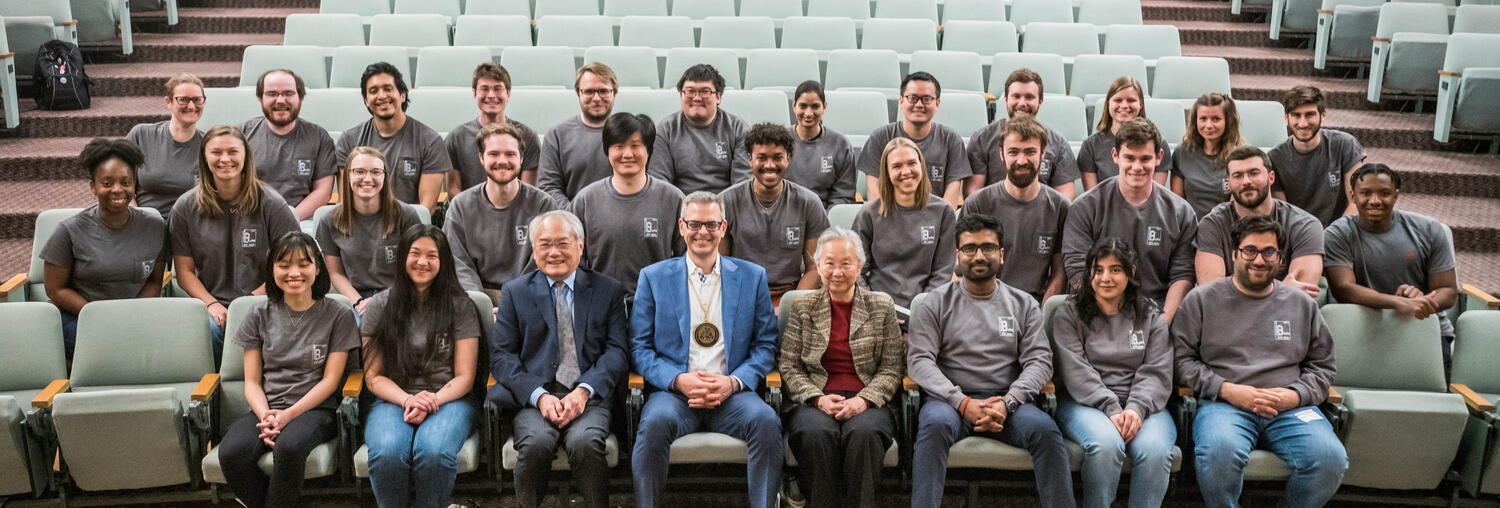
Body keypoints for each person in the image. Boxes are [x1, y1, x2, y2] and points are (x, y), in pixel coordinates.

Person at [1174, 216, 1346, 507]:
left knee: (1330, 459)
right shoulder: (1202, 300)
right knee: (1218, 454)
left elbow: (1323, 365)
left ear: (1280, 258)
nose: (1259, 260)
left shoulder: (1301, 304)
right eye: (1250, 250)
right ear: (1234, 254)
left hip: (1290, 407)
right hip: (1224, 404)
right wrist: (1226, 389)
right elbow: (1180, 360)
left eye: (1269, 252)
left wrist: (1296, 395)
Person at [908, 213, 1074, 508]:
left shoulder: (1023, 304)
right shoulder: (934, 303)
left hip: (1007, 401)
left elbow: (1040, 361)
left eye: (987, 247)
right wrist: (963, 403)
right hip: (949, 403)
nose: (979, 255)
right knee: (933, 427)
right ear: (957, 255)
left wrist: (1008, 402)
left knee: (1046, 431)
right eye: (969, 248)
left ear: (1001, 254)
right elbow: (920, 361)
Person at [630, 191, 783, 508]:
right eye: (695, 224)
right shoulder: (653, 277)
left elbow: (766, 344)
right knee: (653, 425)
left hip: (733, 395)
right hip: (674, 395)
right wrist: (677, 380)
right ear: (682, 227)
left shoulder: (752, 277)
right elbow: (640, 348)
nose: (703, 232)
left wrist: (733, 382)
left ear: (723, 226)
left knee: (767, 422)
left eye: (711, 224)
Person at [490, 210, 628, 508]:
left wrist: (584, 390)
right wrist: (539, 396)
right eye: (544, 244)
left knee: (585, 443)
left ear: (580, 245)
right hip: (535, 396)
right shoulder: (515, 292)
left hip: (589, 396)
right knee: (537, 443)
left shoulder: (608, 290)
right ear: (533, 249)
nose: (554, 252)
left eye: (563, 243)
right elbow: (502, 357)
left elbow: (617, 351)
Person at [217, 232, 359, 508]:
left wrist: (288, 416)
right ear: (272, 270)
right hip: (267, 408)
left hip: (317, 410)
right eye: (284, 265)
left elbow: (331, 381)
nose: (294, 272)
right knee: (232, 452)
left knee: (290, 447)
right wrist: (266, 416)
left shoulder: (338, 314)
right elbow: (252, 382)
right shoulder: (258, 313)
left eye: (304, 264)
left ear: (317, 268)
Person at [779, 228, 904, 508]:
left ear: (859, 265)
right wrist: (817, 398)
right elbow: (789, 367)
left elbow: (892, 369)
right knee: (815, 433)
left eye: (846, 263)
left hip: (868, 400)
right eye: (829, 263)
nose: (837, 271)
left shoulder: (881, 306)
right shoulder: (802, 307)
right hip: (815, 399)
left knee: (864, 434)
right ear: (818, 266)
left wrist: (864, 400)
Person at [361, 225, 484, 508]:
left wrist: (431, 400)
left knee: (434, 452)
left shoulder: (461, 306)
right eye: (415, 253)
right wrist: (408, 399)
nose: (423, 262)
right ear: (403, 256)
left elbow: (465, 376)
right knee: (388, 453)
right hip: (392, 398)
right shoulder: (380, 305)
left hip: (450, 398)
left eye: (432, 256)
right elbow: (372, 377)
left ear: (444, 262)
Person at [1052, 240, 1175, 508]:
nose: (1105, 278)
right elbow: (1076, 371)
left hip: (1143, 405)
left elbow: (1157, 370)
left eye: (1115, 270)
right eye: (1098, 270)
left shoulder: (1150, 314)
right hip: (1085, 403)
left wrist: (1135, 408)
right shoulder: (1069, 313)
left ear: (1131, 272)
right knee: (1106, 446)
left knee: (1155, 452)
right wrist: (1111, 407)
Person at [170, 125, 300, 353]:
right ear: (204, 157)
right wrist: (212, 304)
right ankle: (213, 385)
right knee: (206, 330)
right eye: (216, 152)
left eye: (232, 151)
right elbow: (184, 272)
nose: (225, 159)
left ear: (245, 156)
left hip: (263, 299)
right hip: (211, 303)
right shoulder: (184, 207)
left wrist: (244, 306)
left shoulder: (271, 203)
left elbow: (292, 266)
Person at [41, 138, 167, 357]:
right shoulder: (69, 230)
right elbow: (55, 289)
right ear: (93, 187)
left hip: (135, 317)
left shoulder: (155, 226)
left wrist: (133, 315)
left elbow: (155, 280)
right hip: (80, 318)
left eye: (125, 182)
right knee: (116, 348)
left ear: (134, 184)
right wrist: (98, 316)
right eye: (107, 183)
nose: (117, 190)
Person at [1324, 163, 1457, 368]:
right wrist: (1397, 302)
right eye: (1366, 193)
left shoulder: (1429, 229)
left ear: (1396, 196)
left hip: (1423, 326)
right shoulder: (1337, 234)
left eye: (1384, 193)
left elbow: (1448, 291)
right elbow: (1343, 289)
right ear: (1353, 195)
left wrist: (1422, 300)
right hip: (1367, 328)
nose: (1375, 201)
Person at [1063, 118, 1197, 322]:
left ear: (1159, 157)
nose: (1137, 167)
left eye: (1145, 159)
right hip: (1098, 310)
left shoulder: (1181, 213)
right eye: (1129, 158)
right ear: (1115, 156)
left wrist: (1163, 324)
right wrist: (1110, 316)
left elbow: (1182, 276)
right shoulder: (1085, 207)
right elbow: (1077, 268)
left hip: (1157, 312)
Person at [570, 113, 685, 295]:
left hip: (658, 302)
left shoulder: (673, 198)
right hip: (600, 303)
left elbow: (684, 257)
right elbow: (575, 260)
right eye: (619, 146)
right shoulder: (585, 201)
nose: (627, 154)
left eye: (635, 146)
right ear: (607, 151)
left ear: (648, 150)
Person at [960, 114, 1069, 303]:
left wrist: (1039, 316)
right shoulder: (978, 203)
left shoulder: (1060, 207)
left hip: (1037, 308)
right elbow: (964, 267)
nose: (1021, 160)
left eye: (1030, 152)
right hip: (986, 305)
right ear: (1001, 154)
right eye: (1013, 152)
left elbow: (1060, 273)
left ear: (1043, 154)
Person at [719, 123, 831, 302]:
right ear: (750, 159)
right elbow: (719, 264)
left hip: (789, 293)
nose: (769, 165)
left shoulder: (808, 202)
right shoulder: (727, 201)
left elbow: (815, 267)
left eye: (777, 157)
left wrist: (792, 305)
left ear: (788, 158)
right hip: (740, 293)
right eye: (761, 158)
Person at [444, 124, 558, 298]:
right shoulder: (460, 206)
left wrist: (514, 303)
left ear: (521, 159)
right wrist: (479, 302)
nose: (502, 161)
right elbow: (457, 263)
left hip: (528, 296)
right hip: (474, 297)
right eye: (494, 154)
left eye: (510, 154)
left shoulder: (543, 205)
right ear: (481, 158)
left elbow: (544, 261)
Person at [1195, 146, 1323, 299]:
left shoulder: (1305, 225)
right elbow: (1212, 293)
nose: (1246, 181)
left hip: (1282, 320)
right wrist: (1280, 290)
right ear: (1228, 183)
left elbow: (1301, 297)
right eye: (1238, 175)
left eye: (1253, 173)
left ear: (1271, 177)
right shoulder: (1212, 225)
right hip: (1231, 319)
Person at [852, 138, 957, 311]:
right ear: (886, 172)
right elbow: (857, 271)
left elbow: (942, 272)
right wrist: (876, 309)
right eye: (897, 166)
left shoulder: (943, 212)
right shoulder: (868, 213)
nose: (906, 171)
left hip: (926, 307)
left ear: (921, 166)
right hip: (877, 309)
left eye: (912, 163)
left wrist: (922, 309)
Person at [317, 146, 424, 314]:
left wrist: (382, 300)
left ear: (384, 176)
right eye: (359, 171)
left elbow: (415, 269)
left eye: (375, 172)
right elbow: (335, 273)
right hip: (354, 298)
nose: (367, 178)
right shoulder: (329, 220)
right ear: (348, 175)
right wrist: (358, 302)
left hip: (399, 295)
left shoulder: (406, 215)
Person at [335, 62, 450, 213]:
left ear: (402, 95)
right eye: (373, 91)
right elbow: (346, 202)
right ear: (365, 101)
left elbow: (426, 209)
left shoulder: (429, 141)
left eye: (388, 89)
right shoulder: (349, 140)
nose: (382, 96)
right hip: (361, 228)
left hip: (409, 228)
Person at [856, 72, 969, 209]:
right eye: (913, 98)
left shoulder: (951, 140)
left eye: (927, 99)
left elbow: (952, 192)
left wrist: (941, 221)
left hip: (935, 222)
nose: (920, 104)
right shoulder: (880, 137)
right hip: (890, 220)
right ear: (901, 101)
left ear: (937, 103)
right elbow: (874, 190)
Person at [966, 68, 1080, 200]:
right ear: (1006, 99)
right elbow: (972, 193)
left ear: (1040, 101)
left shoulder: (1058, 142)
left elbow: (1065, 196)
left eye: (1029, 97)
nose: (1022, 103)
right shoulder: (982, 138)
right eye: (1016, 96)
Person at [241, 69, 336, 225]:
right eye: (272, 94)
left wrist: (289, 218)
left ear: (300, 98)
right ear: (261, 99)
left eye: (288, 93)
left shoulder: (319, 137)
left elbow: (323, 192)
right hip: (252, 220)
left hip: (302, 220)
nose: (280, 100)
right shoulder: (241, 135)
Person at [1269, 85, 1366, 226]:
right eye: (1296, 115)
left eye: (1310, 114)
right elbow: (1283, 214)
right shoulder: (1275, 158)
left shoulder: (1345, 144)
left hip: (1340, 232)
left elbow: (1356, 201)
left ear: (1323, 115)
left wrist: (1334, 237)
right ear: (1286, 118)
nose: (1303, 123)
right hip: (1299, 236)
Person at [648, 64, 751, 194]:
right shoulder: (666, 129)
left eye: (705, 91)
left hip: (726, 207)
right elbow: (660, 181)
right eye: (690, 91)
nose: (696, 98)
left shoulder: (738, 128)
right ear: (681, 95)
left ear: (718, 96)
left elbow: (742, 183)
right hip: (681, 206)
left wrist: (716, 208)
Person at [447, 62, 542, 194]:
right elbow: (454, 189)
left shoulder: (527, 136)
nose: (491, 95)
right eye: (484, 89)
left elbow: (529, 192)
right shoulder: (456, 138)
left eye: (498, 89)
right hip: (469, 211)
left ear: (508, 93)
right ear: (474, 93)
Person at [538, 62, 619, 207]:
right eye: (589, 91)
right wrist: (574, 217)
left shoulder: (630, 134)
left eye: (603, 91)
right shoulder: (557, 135)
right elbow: (549, 187)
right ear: (578, 93)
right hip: (573, 223)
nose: (596, 98)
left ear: (615, 93)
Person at [129, 73, 205, 218]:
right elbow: (118, 180)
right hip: (142, 222)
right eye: (183, 100)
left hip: (187, 226)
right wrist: (133, 215)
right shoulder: (142, 135)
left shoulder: (208, 145)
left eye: (197, 100)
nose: (191, 106)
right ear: (168, 102)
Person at [1080, 77, 1172, 190]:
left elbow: (1156, 195)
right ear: (1108, 103)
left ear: (1141, 104)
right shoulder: (1090, 145)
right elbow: (1092, 198)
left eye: (1131, 100)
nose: (1124, 105)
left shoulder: (1158, 143)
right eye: (1118, 100)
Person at [1172, 93, 1246, 219]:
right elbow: (1177, 204)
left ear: (1228, 121)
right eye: (1203, 119)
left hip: (1225, 227)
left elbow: (1236, 208)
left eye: (1216, 119)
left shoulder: (1241, 156)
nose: (1209, 125)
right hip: (1189, 227)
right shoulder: (1182, 152)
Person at [786, 80, 857, 207]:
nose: (808, 113)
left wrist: (822, 222)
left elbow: (843, 196)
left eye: (815, 106)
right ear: (794, 106)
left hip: (824, 218)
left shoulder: (840, 145)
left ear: (824, 106)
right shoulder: (779, 141)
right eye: (803, 106)